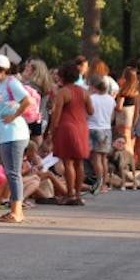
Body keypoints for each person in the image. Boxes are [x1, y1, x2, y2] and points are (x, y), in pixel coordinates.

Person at [0, 54, 31, 223]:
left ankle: (17, 211)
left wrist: (13, 116)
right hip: (5, 136)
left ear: (1, 70)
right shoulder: (1, 85)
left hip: (13, 134)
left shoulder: (11, 83)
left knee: (13, 173)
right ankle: (15, 209)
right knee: (11, 172)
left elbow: (27, 100)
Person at [49, 62, 92, 205]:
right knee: (79, 162)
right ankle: (78, 194)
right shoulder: (84, 91)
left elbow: (56, 114)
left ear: (63, 77)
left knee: (68, 162)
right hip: (81, 127)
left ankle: (70, 194)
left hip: (66, 126)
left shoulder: (63, 92)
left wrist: (52, 131)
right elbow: (91, 111)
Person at [87, 75, 115, 194]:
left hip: (94, 127)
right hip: (106, 128)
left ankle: (99, 182)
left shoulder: (92, 98)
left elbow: (88, 113)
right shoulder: (110, 99)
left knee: (96, 158)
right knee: (104, 158)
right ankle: (104, 183)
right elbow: (112, 115)